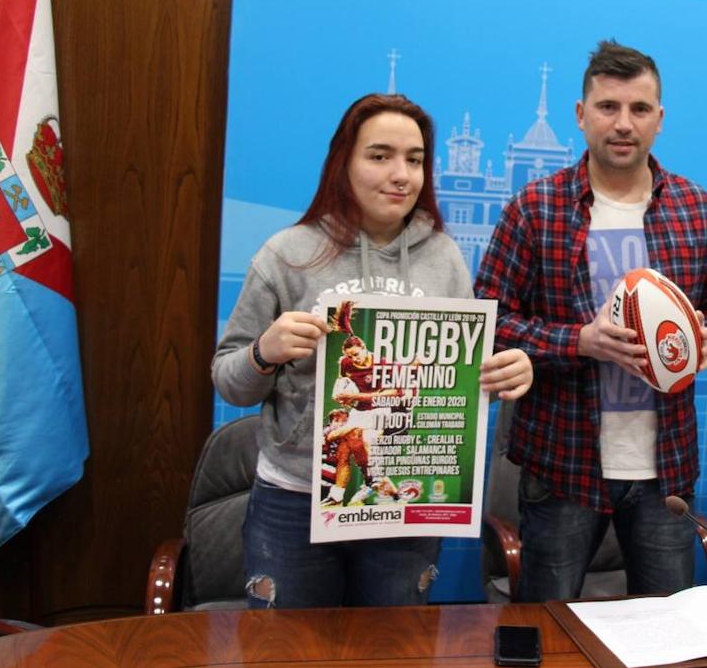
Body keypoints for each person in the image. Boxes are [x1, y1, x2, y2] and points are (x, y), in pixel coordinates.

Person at [211, 93, 533, 608]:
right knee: (290, 654)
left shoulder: (445, 258)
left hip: (402, 501)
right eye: (380, 156)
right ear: (344, 163)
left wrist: (499, 379)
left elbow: (452, 391)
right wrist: (263, 353)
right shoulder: (287, 254)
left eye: (415, 159)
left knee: (394, 651)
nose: (400, 174)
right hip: (297, 499)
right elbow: (229, 380)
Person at [474, 40, 707, 601]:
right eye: (608, 107)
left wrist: (700, 338)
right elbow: (490, 321)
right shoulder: (536, 207)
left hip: (665, 467)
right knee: (547, 630)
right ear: (580, 114)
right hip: (563, 462)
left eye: (639, 109)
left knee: (670, 635)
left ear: (659, 119)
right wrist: (580, 341)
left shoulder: (697, 209)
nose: (624, 124)